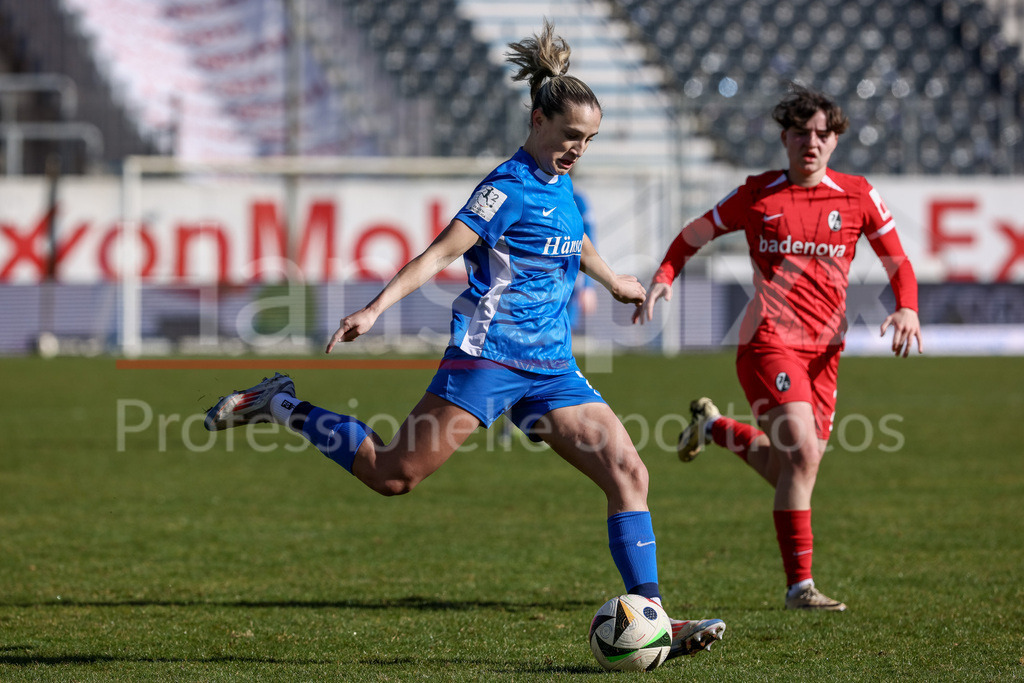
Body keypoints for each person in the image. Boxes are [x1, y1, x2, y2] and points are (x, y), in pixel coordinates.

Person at [204, 21, 724, 660]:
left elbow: (572, 236)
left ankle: (656, 618)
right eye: (570, 136)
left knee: (628, 472)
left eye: (588, 140)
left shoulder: (560, 182)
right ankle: (280, 403)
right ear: (537, 120)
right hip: (489, 358)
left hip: (551, 367)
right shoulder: (503, 188)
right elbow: (438, 253)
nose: (578, 149)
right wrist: (375, 307)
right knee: (393, 476)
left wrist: (612, 279)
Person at [634, 85, 922, 611]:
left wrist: (907, 307)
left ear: (835, 139)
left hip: (825, 352)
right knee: (803, 456)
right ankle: (799, 588)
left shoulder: (858, 195)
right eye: (800, 133)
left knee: (792, 470)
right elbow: (695, 232)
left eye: (822, 133)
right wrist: (665, 275)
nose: (811, 142)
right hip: (766, 341)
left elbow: (897, 259)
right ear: (784, 138)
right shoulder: (757, 194)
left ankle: (714, 428)